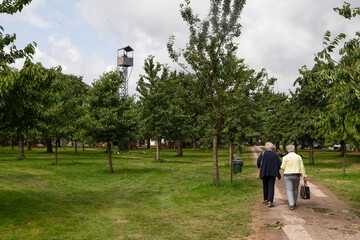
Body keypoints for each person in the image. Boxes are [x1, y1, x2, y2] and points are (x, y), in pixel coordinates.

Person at [281, 144, 307, 210]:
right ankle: (294, 202)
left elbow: (282, 167)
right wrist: (304, 175)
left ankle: (291, 204)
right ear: (294, 149)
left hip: (288, 175)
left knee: (289, 190)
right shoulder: (298, 157)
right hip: (296, 175)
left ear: (288, 150)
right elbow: (302, 167)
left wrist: (284, 169)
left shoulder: (285, 157)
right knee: (295, 189)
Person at [257, 142, 282, 208]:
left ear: (266, 147)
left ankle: (265, 199)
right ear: (272, 147)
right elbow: (279, 163)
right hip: (272, 173)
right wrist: (276, 169)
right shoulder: (275, 155)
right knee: (271, 186)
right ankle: (270, 201)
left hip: (264, 172)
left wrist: (259, 167)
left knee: (265, 185)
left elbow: (258, 162)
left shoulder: (263, 154)